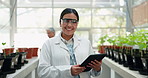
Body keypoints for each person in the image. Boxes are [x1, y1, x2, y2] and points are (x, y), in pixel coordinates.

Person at [37, 8, 102, 78]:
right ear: (60, 23)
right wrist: (68, 71)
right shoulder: (48, 44)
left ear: (77, 24)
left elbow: (92, 73)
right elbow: (42, 72)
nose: (69, 25)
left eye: (74, 21)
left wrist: (97, 69)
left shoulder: (86, 43)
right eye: (66, 21)